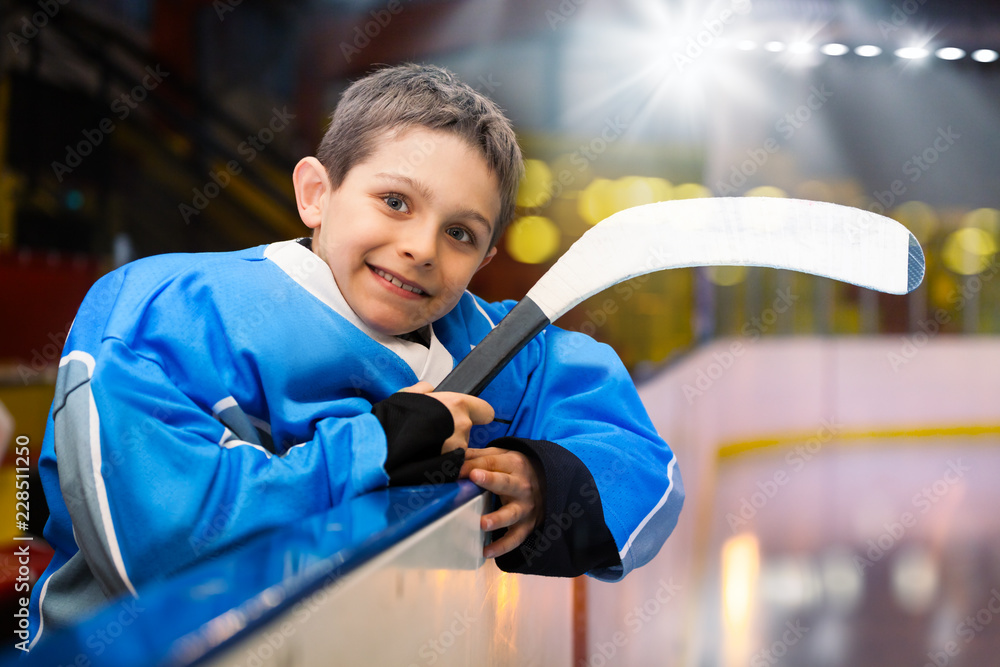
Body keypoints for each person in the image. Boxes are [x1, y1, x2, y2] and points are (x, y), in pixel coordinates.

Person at [28, 63, 683, 643]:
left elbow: (644, 466)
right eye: (395, 201)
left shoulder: (498, 348)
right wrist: (375, 446)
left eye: (460, 232)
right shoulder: (163, 311)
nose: (422, 247)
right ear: (316, 192)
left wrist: (543, 481)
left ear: (484, 259)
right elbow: (167, 541)